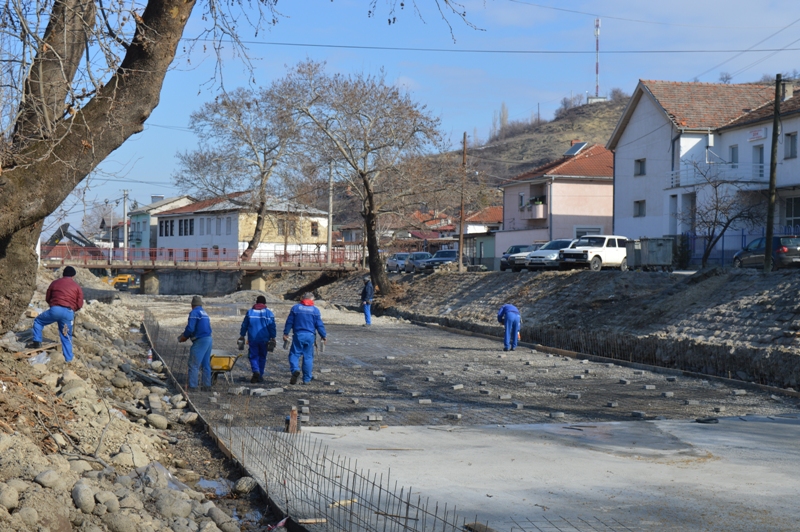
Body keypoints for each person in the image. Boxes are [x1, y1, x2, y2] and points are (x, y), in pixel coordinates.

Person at [27, 266, 84, 362]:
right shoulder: (77, 286)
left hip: (55, 309)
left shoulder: (55, 283)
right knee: (66, 336)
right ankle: (69, 359)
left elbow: (48, 297)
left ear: (63, 274)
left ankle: (37, 341)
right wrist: (73, 310)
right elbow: (79, 303)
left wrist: (53, 305)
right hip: (68, 312)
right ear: (73, 276)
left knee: (38, 321)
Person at [282, 292, 327, 385]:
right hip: (310, 336)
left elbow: (289, 322)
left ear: (303, 299)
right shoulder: (315, 310)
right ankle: (306, 379)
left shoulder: (295, 308)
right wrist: (323, 335)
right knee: (308, 357)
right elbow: (319, 325)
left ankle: (295, 370)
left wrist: (286, 333)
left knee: (294, 354)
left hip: (298, 335)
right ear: (311, 300)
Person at [239, 295, 277, 383]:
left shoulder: (250, 312)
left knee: (253, 356)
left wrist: (242, 335)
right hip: (265, 339)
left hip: (252, 339)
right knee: (262, 357)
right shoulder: (268, 313)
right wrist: (273, 337)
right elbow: (272, 326)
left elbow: (244, 325)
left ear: (256, 302)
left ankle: (255, 370)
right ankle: (260, 375)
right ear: (264, 303)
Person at [179, 296, 213, 391]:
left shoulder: (194, 312)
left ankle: (193, 386)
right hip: (208, 339)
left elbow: (190, 328)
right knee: (206, 364)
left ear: (192, 305)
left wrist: (184, 336)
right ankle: (207, 386)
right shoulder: (204, 312)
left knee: (194, 364)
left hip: (200, 340)